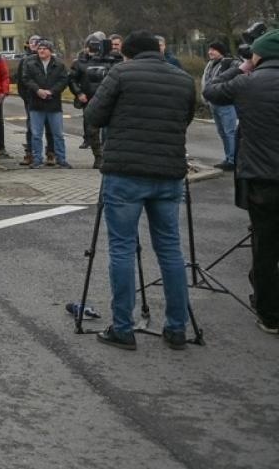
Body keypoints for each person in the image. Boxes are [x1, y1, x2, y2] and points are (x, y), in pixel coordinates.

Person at [83, 30, 196, 350]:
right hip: (168, 172)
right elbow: (185, 118)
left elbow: (94, 115)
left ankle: (123, 327)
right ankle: (177, 328)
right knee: (170, 249)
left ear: (127, 53)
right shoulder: (183, 79)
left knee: (122, 248)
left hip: (125, 172)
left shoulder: (121, 73)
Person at [203, 27, 279, 334]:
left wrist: (241, 67)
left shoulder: (248, 82)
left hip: (262, 178)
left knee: (265, 247)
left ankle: (270, 313)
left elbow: (211, 91)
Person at [71, 31, 122, 167]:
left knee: (111, 129)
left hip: (109, 99)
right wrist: (79, 93)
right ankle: (98, 156)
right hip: (89, 100)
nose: (93, 50)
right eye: (90, 46)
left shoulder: (113, 60)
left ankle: (109, 155)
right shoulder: (80, 62)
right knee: (92, 130)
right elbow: (72, 79)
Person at [19, 39, 72, 168]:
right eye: (40, 48)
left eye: (44, 48)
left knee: (58, 134)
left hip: (54, 105)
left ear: (50, 51)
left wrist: (52, 91)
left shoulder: (59, 64)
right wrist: (37, 90)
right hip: (36, 104)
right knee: (36, 134)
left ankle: (61, 159)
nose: (41, 51)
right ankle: (37, 159)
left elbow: (63, 81)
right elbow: (26, 79)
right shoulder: (30, 64)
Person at [203, 40, 241, 171]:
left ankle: (232, 160)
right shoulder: (210, 64)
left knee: (229, 132)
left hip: (226, 103)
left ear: (221, 51)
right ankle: (228, 158)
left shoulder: (229, 62)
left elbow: (240, 68)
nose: (210, 52)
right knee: (222, 132)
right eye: (209, 49)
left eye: (213, 49)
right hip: (214, 103)